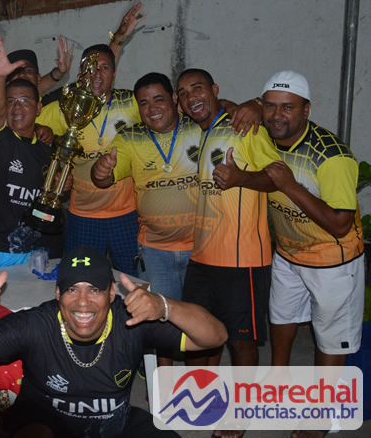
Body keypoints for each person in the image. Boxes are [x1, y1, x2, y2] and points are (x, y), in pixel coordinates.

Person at [0, 244, 227, 438]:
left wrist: (165, 306)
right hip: (43, 420)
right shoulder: (34, 325)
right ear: (58, 294)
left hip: (114, 424)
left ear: (112, 293)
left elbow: (215, 336)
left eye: (94, 289)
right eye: (72, 289)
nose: (82, 302)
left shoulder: (132, 321)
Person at [90, 73, 199, 367]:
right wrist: (100, 171)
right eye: (144, 103)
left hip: (202, 248)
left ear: (174, 99)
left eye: (159, 99)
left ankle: (199, 383)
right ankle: (165, 385)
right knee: (160, 323)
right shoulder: (130, 137)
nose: (152, 108)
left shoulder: (198, 128)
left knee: (197, 319)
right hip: (155, 250)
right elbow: (103, 179)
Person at [258, 71, 365, 373]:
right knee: (281, 317)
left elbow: (340, 224)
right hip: (288, 253)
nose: (276, 115)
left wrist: (290, 186)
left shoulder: (332, 156)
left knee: (331, 337)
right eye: (269, 106)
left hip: (333, 261)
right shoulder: (266, 137)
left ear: (306, 110)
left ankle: (323, 401)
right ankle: (278, 377)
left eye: (287, 107)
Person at [175, 68, 278, 377]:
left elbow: (278, 178)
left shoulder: (245, 129)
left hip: (241, 259)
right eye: (183, 93)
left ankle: (242, 402)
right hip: (201, 257)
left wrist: (240, 178)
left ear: (215, 89)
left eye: (197, 88)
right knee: (196, 332)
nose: (191, 97)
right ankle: (198, 393)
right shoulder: (201, 132)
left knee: (241, 341)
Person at [39, 44, 142, 275]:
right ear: (80, 73)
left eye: (104, 68)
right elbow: (25, 118)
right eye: (90, 68)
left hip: (126, 214)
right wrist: (41, 132)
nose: (96, 74)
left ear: (114, 74)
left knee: (134, 282)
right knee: (80, 280)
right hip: (83, 215)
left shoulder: (131, 102)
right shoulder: (66, 107)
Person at [0, 35, 54, 268]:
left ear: (38, 107)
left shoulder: (46, 149)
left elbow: (44, 210)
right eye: (10, 101)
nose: (17, 107)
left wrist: (59, 188)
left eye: (25, 101)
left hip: (33, 251)